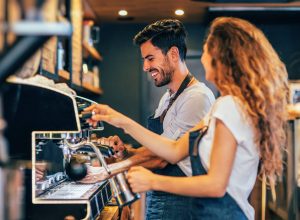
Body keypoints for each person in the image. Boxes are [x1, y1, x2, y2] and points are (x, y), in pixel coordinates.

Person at [85, 17, 288, 220]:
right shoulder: (222, 106)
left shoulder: (229, 107)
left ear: (222, 57)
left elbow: (216, 185)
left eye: (207, 50)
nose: (202, 57)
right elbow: (173, 151)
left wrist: (152, 182)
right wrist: (117, 119)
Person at [81, 19, 215, 220]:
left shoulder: (196, 97)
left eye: (150, 58)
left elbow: (164, 157)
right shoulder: (169, 97)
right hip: (163, 197)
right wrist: (125, 152)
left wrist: (107, 170)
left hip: (182, 203)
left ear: (173, 54)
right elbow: (158, 147)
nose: (145, 66)